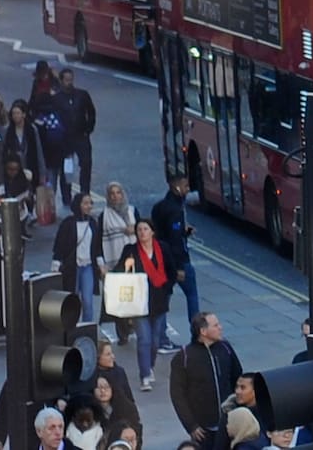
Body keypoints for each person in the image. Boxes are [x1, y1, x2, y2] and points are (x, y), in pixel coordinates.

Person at [114, 219, 176, 392]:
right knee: (144, 340)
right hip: (139, 303)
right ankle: (145, 376)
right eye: (139, 229)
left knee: (155, 341)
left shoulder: (162, 248)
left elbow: (172, 271)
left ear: (152, 232)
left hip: (159, 302)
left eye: (145, 229)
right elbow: (120, 271)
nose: (142, 232)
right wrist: (126, 267)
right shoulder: (131, 251)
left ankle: (150, 366)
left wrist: (167, 289)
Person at [169, 312, 243, 450]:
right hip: (203, 430)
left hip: (229, 425)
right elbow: (177, 395)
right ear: (203, 331)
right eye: (215, 325)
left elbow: (238, 378)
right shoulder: (183, 357)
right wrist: (191, 425)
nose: (220, 327)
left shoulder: (225, 348)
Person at [152, 174, 198, 334]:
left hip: (161, 258)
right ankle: (197, 332)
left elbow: (162, 232)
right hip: (178, 262)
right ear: (176, 187)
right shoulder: (175, 211)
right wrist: (179, 267)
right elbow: (175, 240)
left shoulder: (159, 207)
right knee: (192, 296)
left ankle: (160, 335)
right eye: (185, 186)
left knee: (163, 299)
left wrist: (184, 231)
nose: (188, 189)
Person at [51, 194, 103, 325]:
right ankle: (71, 327)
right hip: (72, 268)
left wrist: (101, 264)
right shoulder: (68, 223)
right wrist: (55, 265)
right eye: (85, 203)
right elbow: (60, 245)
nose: (89, 206)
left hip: (88, 267)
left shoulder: (93, 222)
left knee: (88, 301)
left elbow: (97, 246)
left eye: (90, 203)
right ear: (78, 205)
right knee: (72, 300)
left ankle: (87, 327)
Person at [97, 182, 139, 345]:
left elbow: (145, 229)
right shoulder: (104, 215)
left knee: (135, 297)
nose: (115, 196)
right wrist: (101, 264)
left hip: (134, 261)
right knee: (120, 299)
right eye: (112, 194)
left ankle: (133, 325)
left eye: (118, 193)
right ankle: (122, 333)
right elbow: (97, 241)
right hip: (115, 262)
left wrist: (134, 229)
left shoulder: (133, 211)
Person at [53, 69, 96, 197]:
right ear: (61, 81)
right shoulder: (57, 99)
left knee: (86, 164)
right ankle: (67, 196)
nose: (69, 83)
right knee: (67, 168)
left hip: (81, 136)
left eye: (71, 79)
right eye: (66, 80)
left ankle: (85, 192)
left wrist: (89, 128)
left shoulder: (82, 95)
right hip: (65, 139)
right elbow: (54, 117)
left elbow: (91, 111)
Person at [211, 374, 263, 450]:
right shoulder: (231, 416)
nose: (237, 391)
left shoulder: (268, 413)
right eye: (236, 387)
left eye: (243, 388)